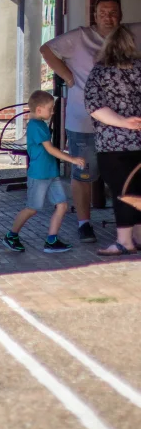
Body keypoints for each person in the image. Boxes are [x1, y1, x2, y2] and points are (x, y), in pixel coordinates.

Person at [40, 0, 141, 243]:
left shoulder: (131, 33)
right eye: (103, 12)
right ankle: (84, 223)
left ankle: (130, 233)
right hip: (84, 120)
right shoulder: (79, 37)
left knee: (128, 181)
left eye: (114, 12)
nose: (109, 17)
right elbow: (46, 49)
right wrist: (69, 77)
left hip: (123, 131)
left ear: (121, 14)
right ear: (94, 16)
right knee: (84, 173)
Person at [2, 90, 85, 253]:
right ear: (39, 109)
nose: (53, 111)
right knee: (32, 208)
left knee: (61, 205)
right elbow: (50, 149)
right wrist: (72, 159)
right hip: (39, 175)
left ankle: (52, 240)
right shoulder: (36, 126)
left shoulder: (40, 124)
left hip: (51, 173)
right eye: (50, 108)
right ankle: (11, 235)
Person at [84, 25, 141, 256]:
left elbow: (94, 107)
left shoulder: (100, 72)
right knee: (138, 189)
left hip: (112, 145)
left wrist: (121, 121)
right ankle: (138, 237)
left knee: (123, 191)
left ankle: (124, 241)